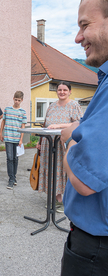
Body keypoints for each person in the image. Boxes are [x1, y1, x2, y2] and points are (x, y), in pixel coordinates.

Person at [60, 0, 108, 276]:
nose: (78, 37)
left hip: (95, 249)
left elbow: (83, 181)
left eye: (84, 25)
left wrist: (70, 137)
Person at [36, 82, 83, 213]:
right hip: (48, 143)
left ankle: (64, 200)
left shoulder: (74, 105)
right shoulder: (51, 106)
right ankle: (54, 198)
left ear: (70, 91)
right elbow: (45, 124)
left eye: (65, 90)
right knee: (49, 169)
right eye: (59, 90)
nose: (62, 92)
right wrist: (40, 142)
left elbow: (79, 123)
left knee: (62, 170)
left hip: (63, 144)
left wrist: (58, 125)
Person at [0, 91, 27, 190]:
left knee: (15, 158)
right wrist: (0, 133)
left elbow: (23, 126)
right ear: (13, 98)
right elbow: (3, 121)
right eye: (15, 100)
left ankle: (14, 177)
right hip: (8, 136)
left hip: (17, 138)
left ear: (22, 100)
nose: (17, 102)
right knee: (9, 158)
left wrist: (21, 139)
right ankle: (11, 179)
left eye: (19, 100)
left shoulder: (23, 112)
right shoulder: (7, 109)